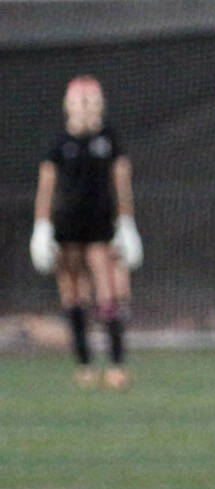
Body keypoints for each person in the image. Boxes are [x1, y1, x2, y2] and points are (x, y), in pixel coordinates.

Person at [30, 75, 143, 389]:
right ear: (68, 105)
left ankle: (117, 365)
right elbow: (46, 188)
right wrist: (41, 227)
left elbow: (122, 183)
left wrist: (127, 224)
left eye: (92, 101)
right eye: (80, 101)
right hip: (67, 227)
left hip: (101, 226)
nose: (86, 107)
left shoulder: (109, 139)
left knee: (110, 292)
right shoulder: (57, 144)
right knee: (74, 294)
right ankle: (84, 366)